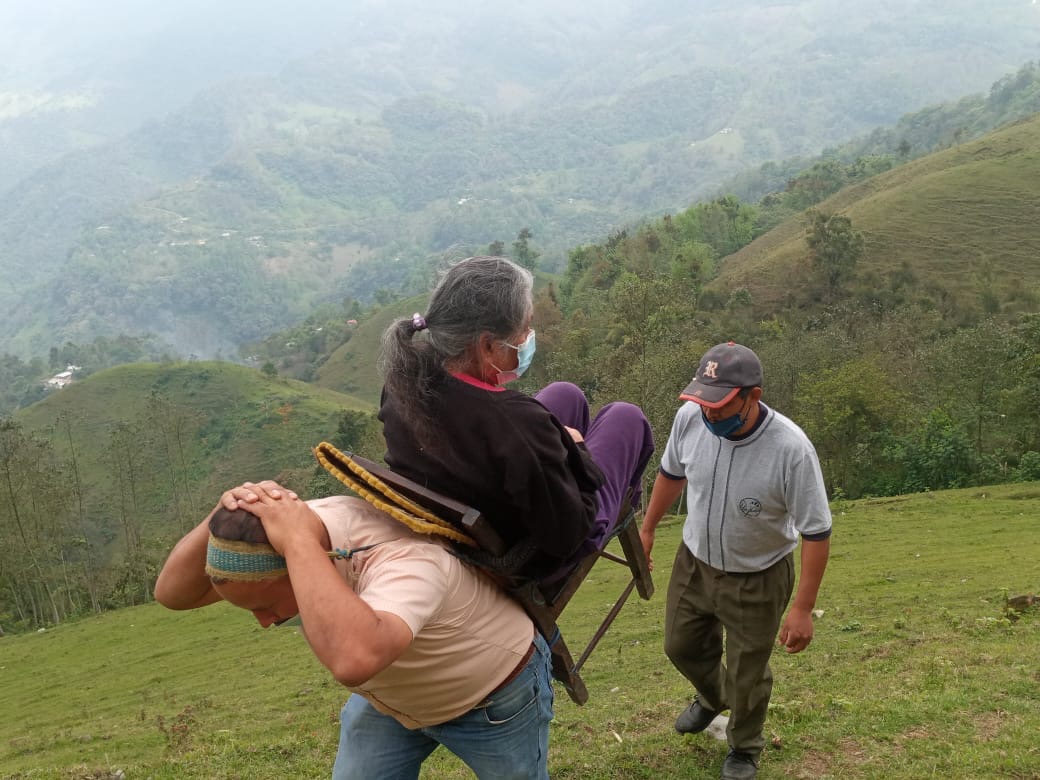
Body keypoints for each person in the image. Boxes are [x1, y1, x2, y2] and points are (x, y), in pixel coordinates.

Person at [154, 483, 554, 780]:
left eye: (265, 607)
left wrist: (297, 544)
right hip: (395, 700)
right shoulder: (290, 533)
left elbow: (354, 659)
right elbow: (174, 594)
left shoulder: (405, 560)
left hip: (491, 696)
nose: (263, 622)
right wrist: (231, 510)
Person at [378, 255, 654, 582]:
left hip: (470, 518)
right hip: (525, 555)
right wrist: (578, 452)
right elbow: (567, 533)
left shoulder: (403, 388)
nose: (527, 338)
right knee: (625, 418)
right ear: (487, 346)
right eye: (524, 329)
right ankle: (616, 515)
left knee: (564, 394)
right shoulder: (517, 424)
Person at [638, 341, 832, 780]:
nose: (710, 415)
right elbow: (672, 473)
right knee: (679, 645)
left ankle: (744, 747)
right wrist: (648, 528)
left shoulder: (791, 450)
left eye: (722, 406)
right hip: (695, 561)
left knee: (749, 670)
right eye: (705, 403)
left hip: (758, 575)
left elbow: (817, 532)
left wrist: (802, 608)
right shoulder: (692, 418)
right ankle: (712, 697)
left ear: (752, 397)